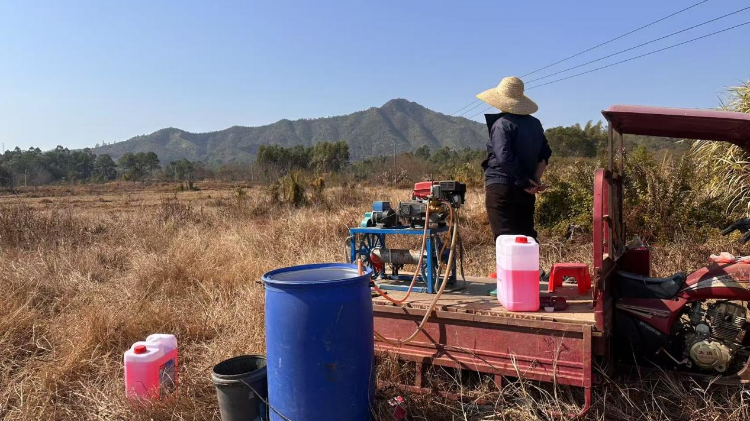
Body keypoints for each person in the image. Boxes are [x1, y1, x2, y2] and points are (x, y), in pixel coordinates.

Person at [476, 76, 551, 241]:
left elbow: (504, 157)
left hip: (502, 188)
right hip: (527, 190)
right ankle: (530, 267)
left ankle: (512, 268)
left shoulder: (502, 124)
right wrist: (534, 180)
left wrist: (524, 182)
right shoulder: (535, 124)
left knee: (506, 241)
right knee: (527, 238)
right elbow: (545, 154)